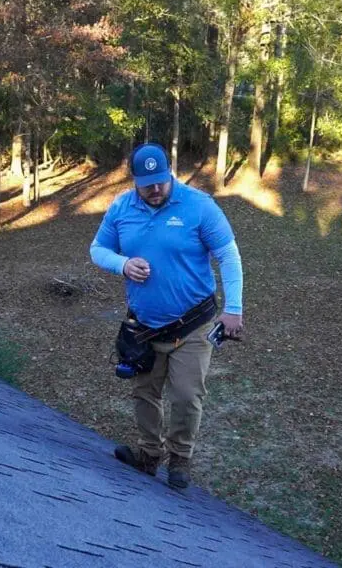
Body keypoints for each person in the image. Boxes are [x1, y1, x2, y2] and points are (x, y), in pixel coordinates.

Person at [89, 142, 243, 489]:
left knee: (187, 395)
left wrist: (233, 309)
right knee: (145, 394)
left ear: (169, 172)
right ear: (134, 181)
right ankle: (148, 455)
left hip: (194, 324)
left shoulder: (200, 207)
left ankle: (180, 460)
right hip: (144, 327)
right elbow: (98, 249)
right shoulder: (121, 208)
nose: (156, 189)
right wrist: (123, 264)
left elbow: (228, 255)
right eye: (148, 184)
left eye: (161, 180)